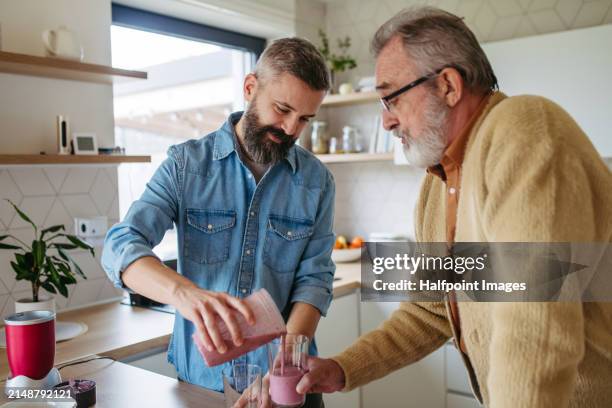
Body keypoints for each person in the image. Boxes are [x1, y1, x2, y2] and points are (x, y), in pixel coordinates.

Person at [296, 7, 612, 408]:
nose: (386, 122)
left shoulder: (524, 131)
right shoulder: (437, 183)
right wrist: (342, 369)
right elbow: (429, 312)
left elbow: (534, 326)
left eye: (391, 98)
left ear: (448, 85)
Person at [102, 37, 335, 407]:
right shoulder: (186, 166)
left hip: (288, 388)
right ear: (249, 88)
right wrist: (185, 295)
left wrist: (283, 372)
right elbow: (121, 245)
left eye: (305, 118)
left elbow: (314, 282)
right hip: (202, 387)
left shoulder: (316, 181)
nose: (292, 128)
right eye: (282, 109)